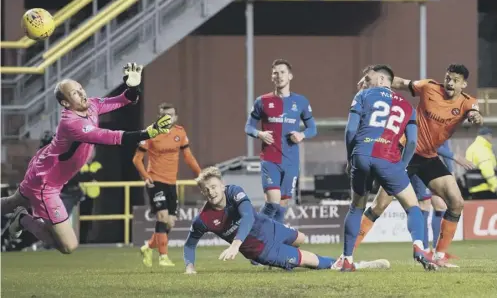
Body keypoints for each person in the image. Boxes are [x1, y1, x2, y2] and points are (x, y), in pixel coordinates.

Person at [1, 63, 173, 255]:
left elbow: (123, 100)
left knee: (10, 202)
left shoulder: (91, 105)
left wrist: (132, 87)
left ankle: (18, 215)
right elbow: (112, 137)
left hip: (42, 167)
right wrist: (148, 133)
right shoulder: (71, 123)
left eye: (81, 89)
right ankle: (23, 219)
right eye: (75, 93)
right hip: (45, 183)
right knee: (68, 246)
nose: (82, 94)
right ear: (66, 103)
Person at [353, 64, 483, 268]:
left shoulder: (468, 102)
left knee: (456, 202)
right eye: (448, 78)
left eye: (455, 80)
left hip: (429, 158)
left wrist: (476, 117)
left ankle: (439, 256)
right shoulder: (429, 87)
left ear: (463, 84)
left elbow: (476, 114)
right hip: (404, 152)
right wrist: (375, 83)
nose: (449, 82)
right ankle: (348, 255)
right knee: (380, 205)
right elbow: (401, 83)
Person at [183, 166, 390, 274]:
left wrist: (235, 244)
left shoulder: (234, 191)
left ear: (222, 185)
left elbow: (247, 216)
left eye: (214, 186)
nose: (211, 192)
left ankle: (281, 258)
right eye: (206, 189)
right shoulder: (204, 219)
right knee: (310, 260)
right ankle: (353, 265)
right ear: (202, 192)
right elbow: (190, 244)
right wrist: (189, 267)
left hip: (268, 227)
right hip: (263, 250)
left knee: (302, 238)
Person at [339, 64, 436, 272]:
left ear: (383, 80)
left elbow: (350, 131)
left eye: (368, 79)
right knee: (412, 207)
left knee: (356, 207)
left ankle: (347, 259)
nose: (365, 83)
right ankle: (419, 247)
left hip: (362, 156)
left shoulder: (362, 96)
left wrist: (350, 159)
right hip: (389, 160)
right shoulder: (408, 107)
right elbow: (411, 142)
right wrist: (401, 166)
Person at [245, 59, 317, 224]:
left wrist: (302, 135)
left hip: (291, 160)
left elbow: (312, 128)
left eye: (282, 72)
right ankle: (253, 232)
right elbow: (248, 127)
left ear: (290, 76)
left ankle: (272, 239)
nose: (279, 76)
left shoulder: (301, 102)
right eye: (275, 73)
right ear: (272, 77)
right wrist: (259, 133)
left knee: (282, 204)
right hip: (270, 159)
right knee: (273, 201)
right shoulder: (261, 101)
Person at [133, 103, 201, 267]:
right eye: (165, 115)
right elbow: (136, 159)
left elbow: (188, 157)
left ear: (175, 117)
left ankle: (148, 247)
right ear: (159, 117)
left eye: (171, 115)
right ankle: (163, 257)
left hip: (172, 182)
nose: (168, 118)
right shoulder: (150, 133)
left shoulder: (180, 132)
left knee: (170, 223)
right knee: (162, 217)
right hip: (155, 181)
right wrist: (145, 176)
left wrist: (200, 174)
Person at [465, 127, 497, 200]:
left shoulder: (472, 148)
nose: (491, 138)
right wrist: (495, 184)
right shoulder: (482, 149)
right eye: (491, 136)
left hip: (475, 188)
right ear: (488, 136)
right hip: (486, 188)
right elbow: (487, 169)